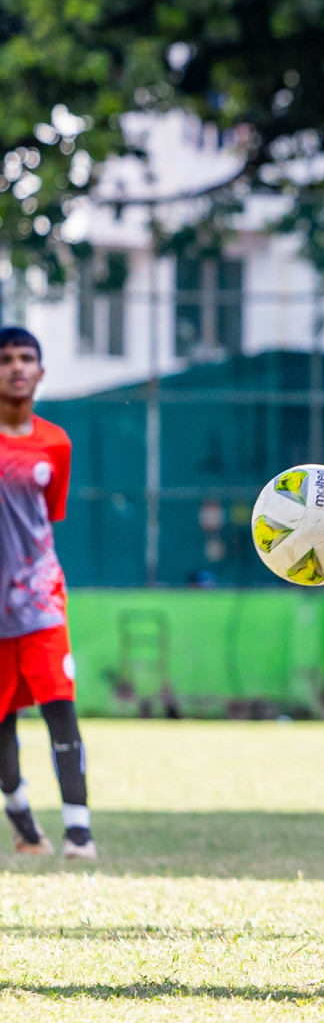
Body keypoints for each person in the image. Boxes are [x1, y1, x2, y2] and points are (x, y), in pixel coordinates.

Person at [0, 327, 95, 859]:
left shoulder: (56, 442)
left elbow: (48, 515)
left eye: (26, 358)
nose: (16, 367)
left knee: (61, 708)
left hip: (39, 601)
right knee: (3, 731)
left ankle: (79, 832)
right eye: (6, 359)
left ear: (40, 371)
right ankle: (20, 814)